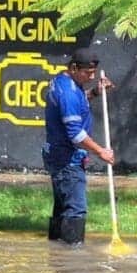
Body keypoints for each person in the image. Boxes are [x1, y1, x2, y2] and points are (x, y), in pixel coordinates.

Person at [43, 48, 115, 247]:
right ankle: (72, 258)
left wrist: (95, 92)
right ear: (74, 68)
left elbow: (78, 100)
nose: (91, 76)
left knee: (62, 207)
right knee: (76, 209)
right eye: (87, 72)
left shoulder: (63, 82)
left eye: (94, 72)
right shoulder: (68, 93)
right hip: (67, 160)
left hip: (56, 155)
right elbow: (75, 135)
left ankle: (55, 249)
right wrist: (101, 151)